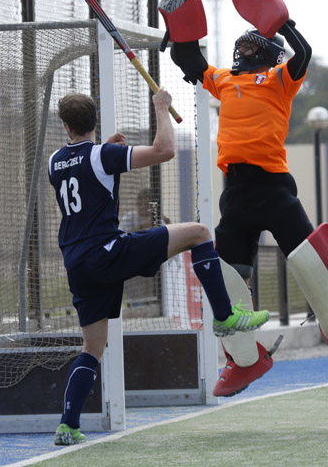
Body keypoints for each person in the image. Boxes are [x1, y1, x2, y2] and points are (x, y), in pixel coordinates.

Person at [47, 90, 270, 445]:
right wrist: (161, 108)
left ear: (66, 126)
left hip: (77, 263)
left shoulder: (55, 160)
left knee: (92, 348)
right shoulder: (104, 155)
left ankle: (67, 426)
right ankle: (225, 316)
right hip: (107, 251)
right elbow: (164, 150)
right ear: (94, 119)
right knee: (198, 233)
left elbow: (84, 176)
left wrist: (107, 148)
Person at [170, 18, 328, 397]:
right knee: (226, 281)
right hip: (237, 193)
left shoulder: (280, 78)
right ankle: (245, 360)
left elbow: (304, 53)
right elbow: (188, 57)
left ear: (267, 52)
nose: (242, 50)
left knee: (313, 262)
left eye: (250, 46)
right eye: (241, 45)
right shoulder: (223, 79)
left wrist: (284, 22)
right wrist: (179, 22)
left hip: (275, 188)